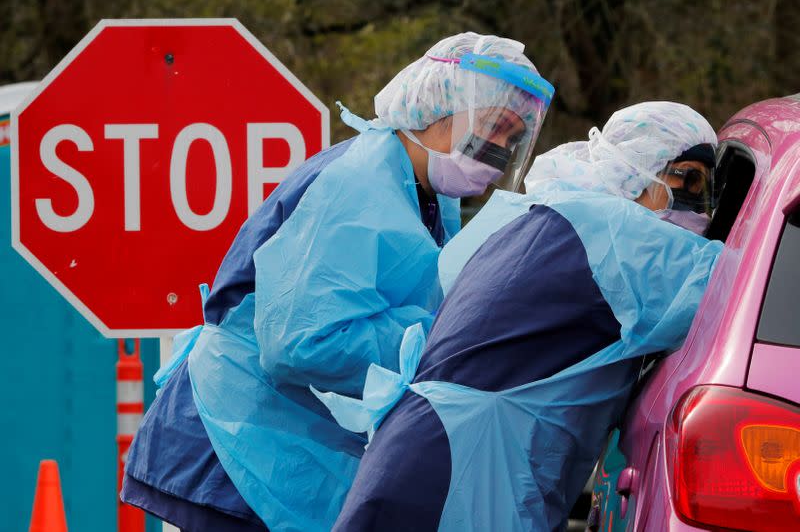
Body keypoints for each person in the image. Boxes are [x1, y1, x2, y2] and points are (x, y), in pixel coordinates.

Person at [120, 32, 553, 532]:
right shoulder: (359, 184)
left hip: (271, 438)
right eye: (493, 127)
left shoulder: (423, 190)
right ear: (439, 104)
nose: (499, 150)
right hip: (234, 440)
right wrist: (431, 341)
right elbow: (301, 341)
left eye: (512, 139)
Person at [314, 101, 724, 531]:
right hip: (462, 467)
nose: (703, 210)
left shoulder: (557, 212)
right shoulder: (617, 233)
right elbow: (740, 286)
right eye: (688, 180)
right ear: (638, 168)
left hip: (438, 451)